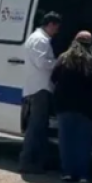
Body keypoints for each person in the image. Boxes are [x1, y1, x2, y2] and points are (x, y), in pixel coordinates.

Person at [51, 31, 92, 183]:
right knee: (84, 143)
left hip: (65, 106)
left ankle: (68, 172)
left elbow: (53, 78)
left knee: (66, 141)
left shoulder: (63, 58)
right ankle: (83, 175)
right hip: (86, 108)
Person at [19, 11, 62, 174]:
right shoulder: (40, 40)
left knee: (41, 127)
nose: (56, 32)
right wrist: (59, 62)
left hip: (38, 87)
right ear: (50, 24)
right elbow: (42, 63)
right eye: (56, 28)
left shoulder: (37, 38)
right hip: (40, 89)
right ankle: (26, 161)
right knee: (36, 127)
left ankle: (40, 160)